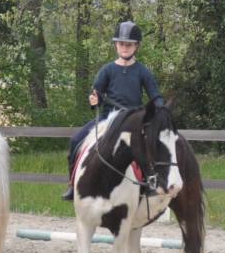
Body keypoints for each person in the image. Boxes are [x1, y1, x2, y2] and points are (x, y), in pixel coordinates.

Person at [61, 21, 164, 201]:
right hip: (107, 119)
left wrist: (160, 109)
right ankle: (72, 184)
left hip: (133, 121)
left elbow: (155, 96)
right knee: (76, 140)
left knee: (151, 145)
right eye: (121, 44)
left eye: (129, 44)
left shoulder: (143, 71)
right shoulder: (107, 70)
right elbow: (97, 95)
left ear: (136, 46)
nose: (125, 47)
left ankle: (151, 183)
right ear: (116, 45)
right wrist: (94, 100)